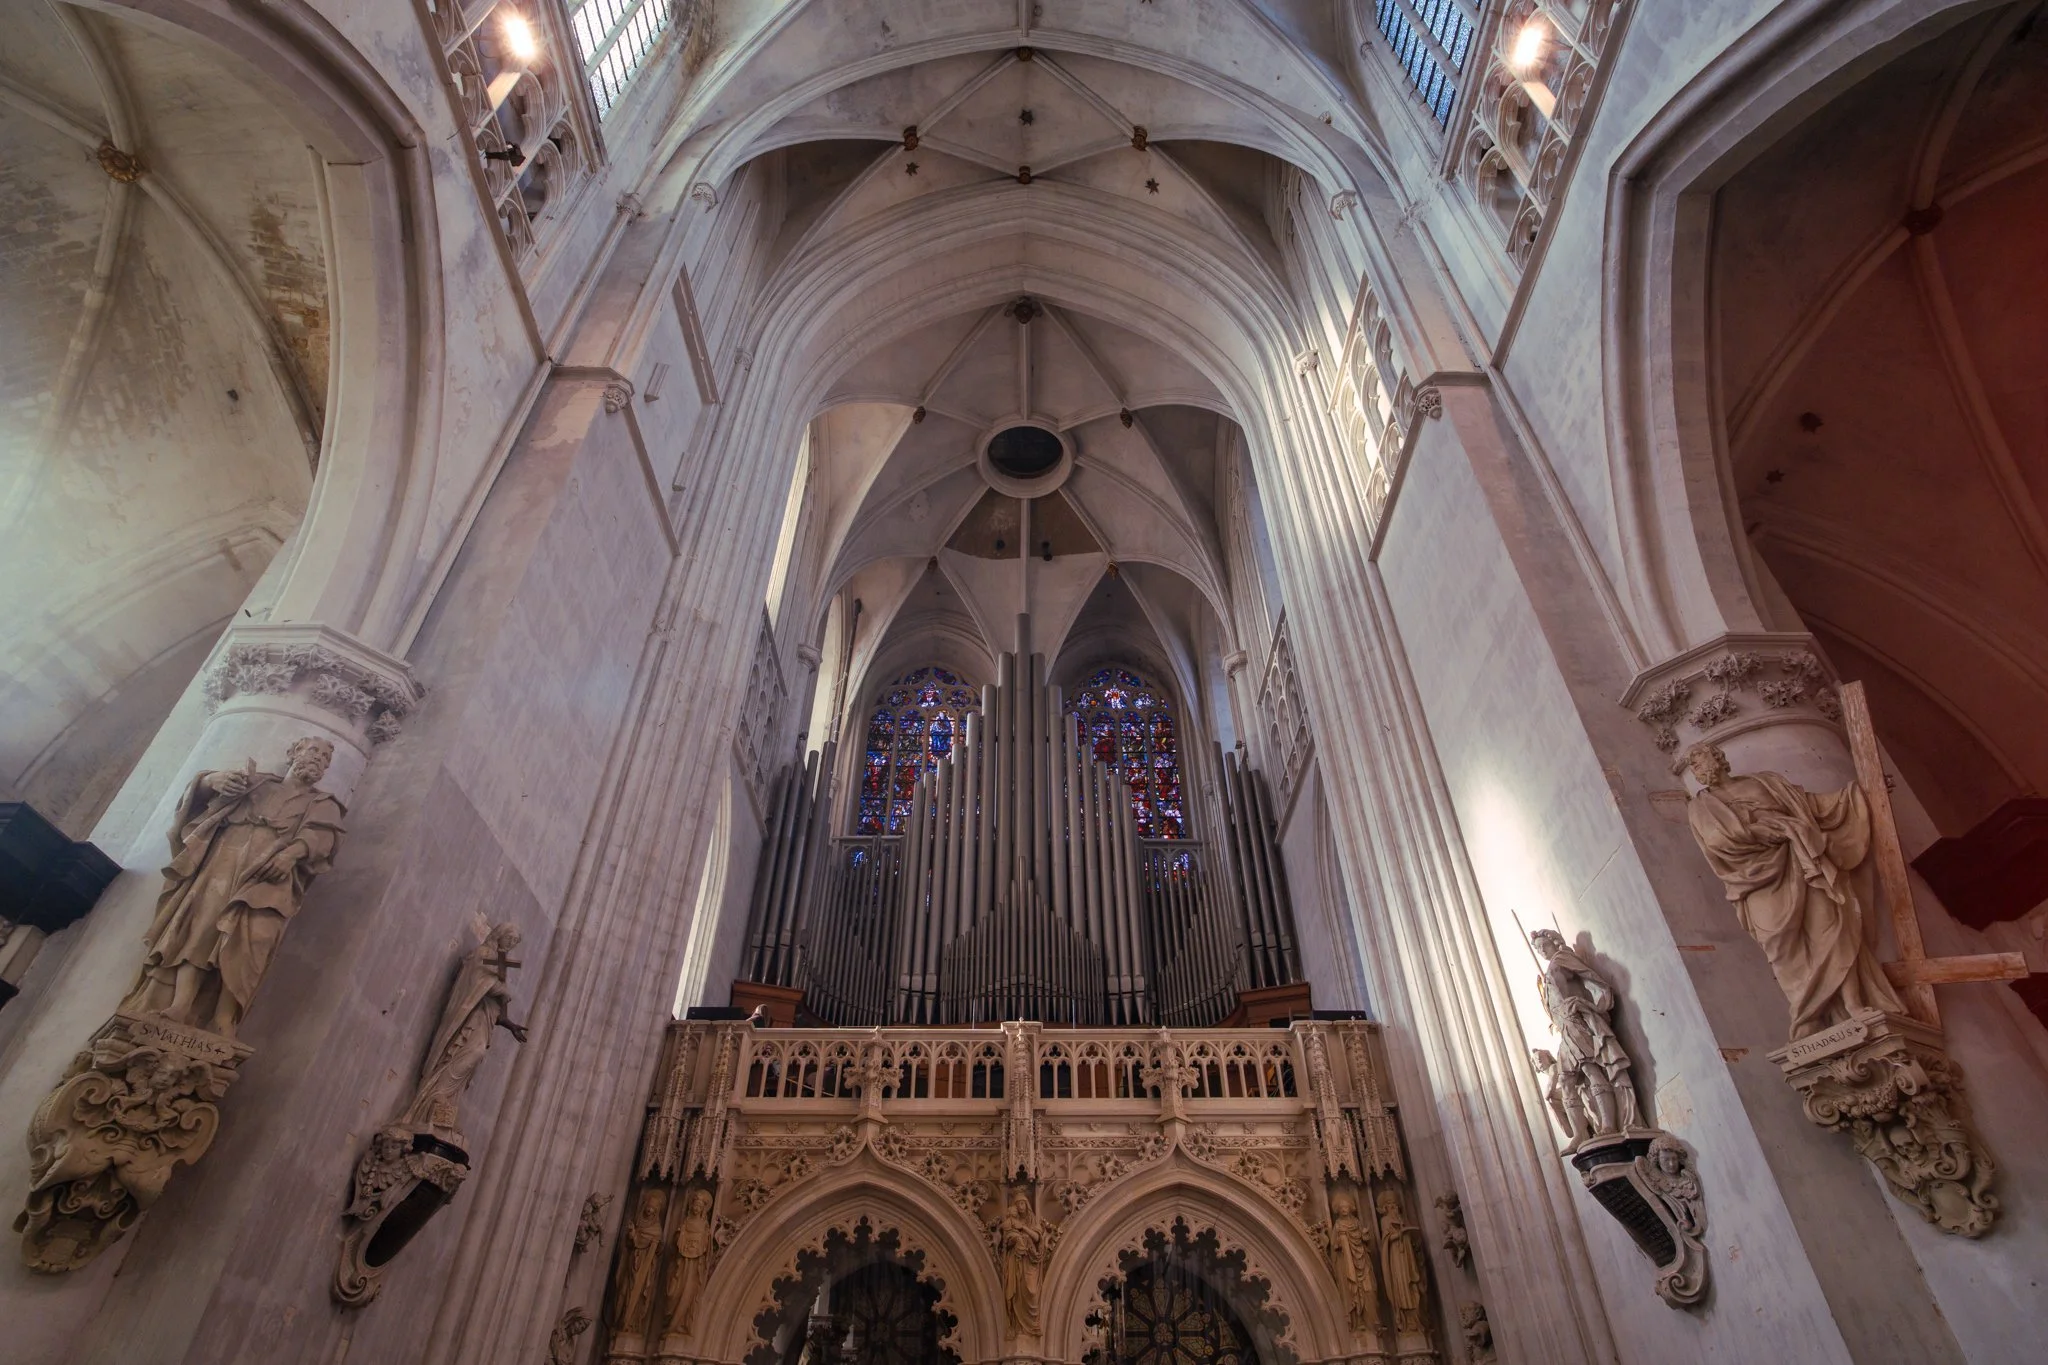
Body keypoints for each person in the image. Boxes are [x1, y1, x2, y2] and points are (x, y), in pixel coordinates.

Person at [125, 737, 344, 1035]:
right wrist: (213, 781)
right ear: (293, 753)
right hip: (223, 863)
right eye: (313, 750)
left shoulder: (322, 803)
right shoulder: (257, 784)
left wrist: (292, 853)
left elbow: (324, 837)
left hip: (270, 877)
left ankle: (224, 1018)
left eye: (325, 757)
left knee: (254, 941)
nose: (319, 759)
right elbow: (196, 799)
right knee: (200, 928)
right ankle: (180, 1003)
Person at [1684, 743, 1904, 1038]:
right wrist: (1769, 831)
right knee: (1781, 946)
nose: (1699, 771)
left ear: (1719, 758)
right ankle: (1807, 1013)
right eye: (1694, 768)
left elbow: (1815, 808)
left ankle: (1854, 1004)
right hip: (1757, 881)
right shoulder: (1701, 807)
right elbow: (1717, 842)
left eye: (1701, 762)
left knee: (1832, 930)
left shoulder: (1767, 782)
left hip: (1803, 863)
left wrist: (1866, 795)